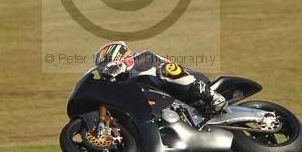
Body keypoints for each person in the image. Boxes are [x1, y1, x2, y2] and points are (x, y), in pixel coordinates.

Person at [93, 41, 227, 116]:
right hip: (166, 104)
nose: (104, 72)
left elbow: (143, 60)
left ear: (116, 57)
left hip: (188, 86)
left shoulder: (140, 58)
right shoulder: (122, 81)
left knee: (166, 69)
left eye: (104, 67)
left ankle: (212, 97)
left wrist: (122, 66)